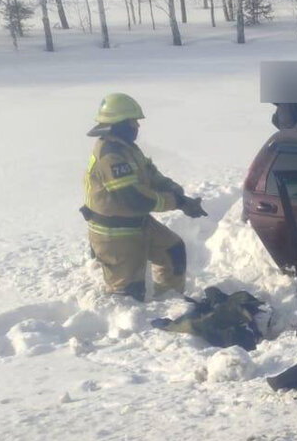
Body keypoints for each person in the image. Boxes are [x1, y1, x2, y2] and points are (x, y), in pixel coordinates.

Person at [81, 93, 207, 301]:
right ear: (119, 124)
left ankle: (169, 303)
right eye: (133, 122)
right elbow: (135, 199)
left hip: (136, 223)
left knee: (172, 251)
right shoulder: (111, 155)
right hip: (114, 234)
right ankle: (127, 325)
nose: (137, 127)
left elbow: (148, 173)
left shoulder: (127, 148)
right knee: (129, 295)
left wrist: (172, 188)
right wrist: (178, 202)